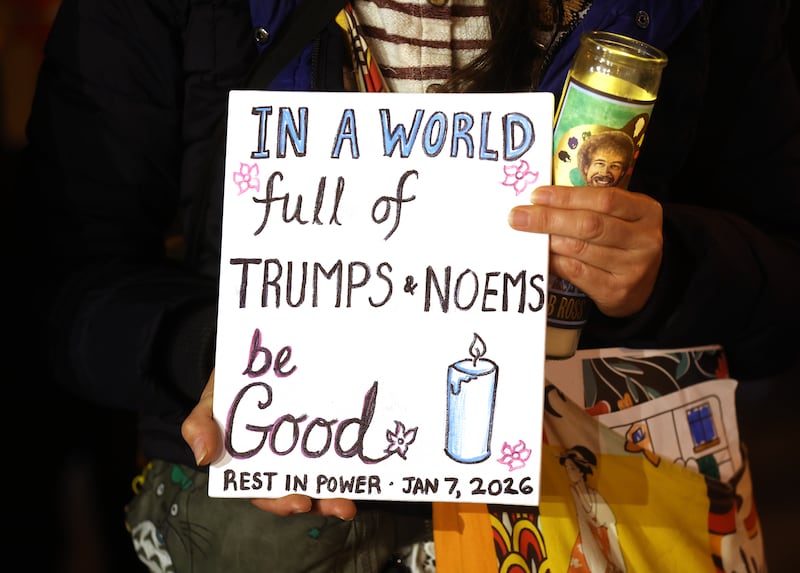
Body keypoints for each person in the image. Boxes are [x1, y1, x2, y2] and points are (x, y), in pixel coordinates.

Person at [18, 0, 800, 571]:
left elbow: (783, 296)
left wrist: (671, 271)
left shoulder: (693, 15)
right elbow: (63, 284)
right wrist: (220, 357)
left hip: (590, 520)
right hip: (269, 529)